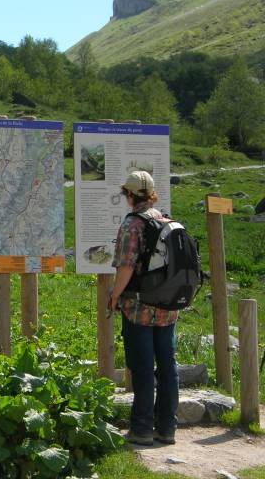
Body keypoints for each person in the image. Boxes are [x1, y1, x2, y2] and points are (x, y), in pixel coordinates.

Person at [109, 171, 178, 446]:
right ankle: (167, 428)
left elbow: (126, 267)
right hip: (167, 307)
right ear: (150, 195)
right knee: (167, 366)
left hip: (139, 307)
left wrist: (114, 296)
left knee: (142, 367)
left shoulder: (132, 225)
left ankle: (141, 429)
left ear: (129, 195)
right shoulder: (166, 221)